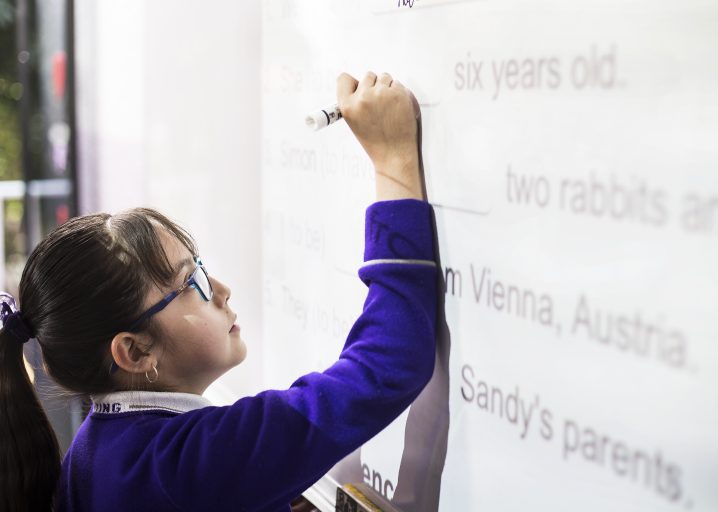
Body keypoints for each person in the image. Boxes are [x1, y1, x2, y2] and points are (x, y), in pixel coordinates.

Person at [0, 71, 437, 511]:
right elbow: (389, 361)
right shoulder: (188, 463)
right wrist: (392, 161)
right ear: (134, 353)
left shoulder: (101, 449)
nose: (223, 291)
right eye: (193, 284)